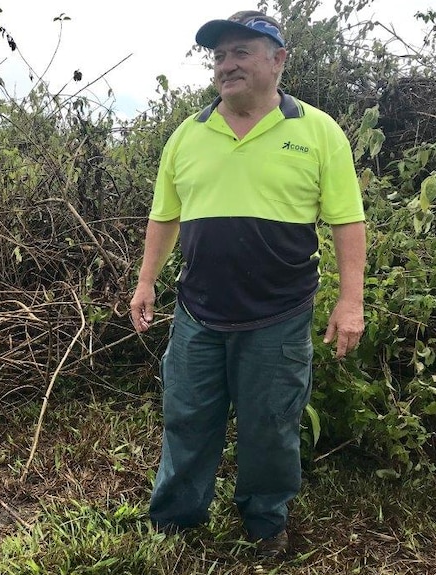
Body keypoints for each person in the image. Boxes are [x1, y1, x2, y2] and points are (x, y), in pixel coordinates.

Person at [129, 10, 366, 558]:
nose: (226, 65)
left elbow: (346, 221)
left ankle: (265, 522)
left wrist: (350, 301)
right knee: (187, 418)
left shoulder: (317, 131)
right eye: (219, 56)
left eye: (240, 52)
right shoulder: (188, 135)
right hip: (198, 312)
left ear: (278, 60)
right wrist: (147, 283)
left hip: (278, 315)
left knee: (270, 427)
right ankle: (174, 521)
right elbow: (164, 217)